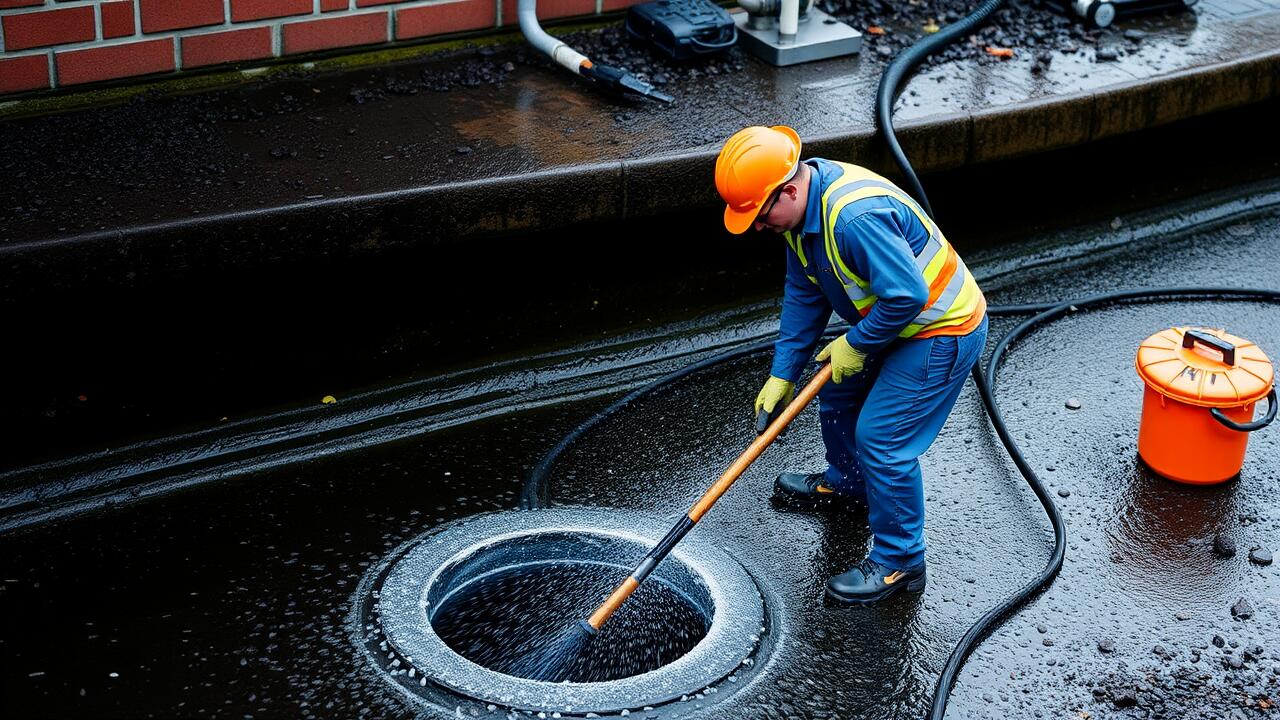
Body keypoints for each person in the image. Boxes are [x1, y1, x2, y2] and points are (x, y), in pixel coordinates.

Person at [715, 125, 988, 605]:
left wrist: (857, 343)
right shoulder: (799, 220)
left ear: (791, 190)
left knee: (883, 439)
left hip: (940, 330)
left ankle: (901, 563)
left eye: (759, 214)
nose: (757, 226)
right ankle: (850, 487)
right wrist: (784, 372)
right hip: (891, 323)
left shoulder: (852, 219)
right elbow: (804, 294)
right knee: (838, 393)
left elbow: (907, 296)